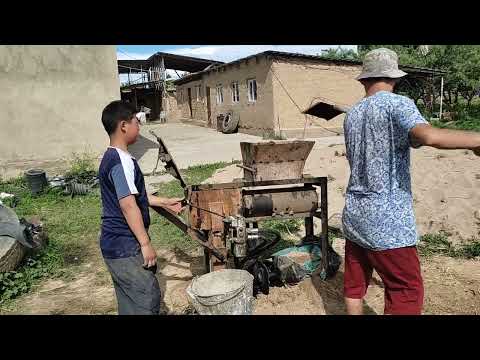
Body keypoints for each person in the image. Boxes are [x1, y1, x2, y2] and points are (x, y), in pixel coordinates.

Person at [342, 48, 480, 315]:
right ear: (394, 78)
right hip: (388, 220)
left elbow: (409, 139)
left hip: (355, 213)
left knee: (355, 283)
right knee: (405, 289)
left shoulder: (353, 114)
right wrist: (476, 139)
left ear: (363, 80)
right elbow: (427, 136)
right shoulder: (399, 104)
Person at [99, 100, 183, 315]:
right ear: (123, 125)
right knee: (146, 295)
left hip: (115, 244)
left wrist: (165, 202)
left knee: (129, 302)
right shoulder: (120, 162)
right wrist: (145, 243)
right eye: (137, 121)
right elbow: (128, 205)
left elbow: (136, 196)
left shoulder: (114, 157)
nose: (139, 126)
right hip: (125, 245)